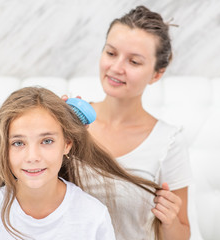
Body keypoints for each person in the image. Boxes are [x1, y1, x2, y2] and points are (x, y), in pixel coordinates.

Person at [0, 87, 162, 240]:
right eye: (18, 143)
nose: (33, 156)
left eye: (47, 141)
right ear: (4, 150)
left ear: (66, 144)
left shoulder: (92, 216)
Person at [64, 5, 192, 240]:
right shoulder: (69, 122)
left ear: (156, 74)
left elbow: (182, 233)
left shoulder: (168, 142)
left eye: (134, 62)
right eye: (111, 53)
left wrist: (169, 220)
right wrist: (48, 131)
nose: (116, 68)